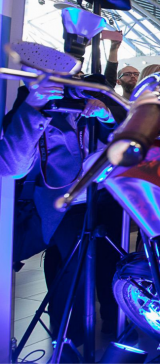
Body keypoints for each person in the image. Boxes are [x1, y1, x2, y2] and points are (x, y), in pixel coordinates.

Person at [2, 78, 120, 342]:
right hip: (59, 206)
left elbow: (124, 144)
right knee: (74, 269)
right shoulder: (29, 104)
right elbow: (13, 167)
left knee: (109, 264)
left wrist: (107, 116)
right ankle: (68, 338)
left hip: (102, 197)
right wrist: (34, 106)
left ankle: (108, 324)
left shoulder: (87, 99)